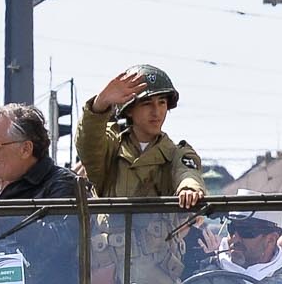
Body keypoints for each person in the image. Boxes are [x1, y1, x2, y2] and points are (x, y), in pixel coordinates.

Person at [77, 65, 205, 207]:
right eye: (147, 104)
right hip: (110, 230)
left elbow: (187, 173)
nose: (156, 112)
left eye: (162, 103)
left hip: (168, 231)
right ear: (129, 110)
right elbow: (89, 144)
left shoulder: (176, 153)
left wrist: (189, 188)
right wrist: (99, 104)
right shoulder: (112, 148)